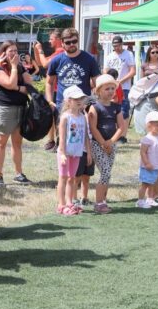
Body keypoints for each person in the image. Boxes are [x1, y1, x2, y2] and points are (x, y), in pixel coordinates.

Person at [0, 40, 34, 187]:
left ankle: (19, 174)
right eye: (11, 51)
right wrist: (15, 69)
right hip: (5, 108)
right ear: (4, 53)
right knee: (1, 142)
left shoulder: (20, 67)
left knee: (17, 143)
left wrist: (19, 84)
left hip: (21, 107)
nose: (14, 53)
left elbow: (29, 86)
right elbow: (9, 84)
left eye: (16, 51)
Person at [87, 74, 126, 214]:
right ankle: (98, 203)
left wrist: (111, 141)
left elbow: (121, 126)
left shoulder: (116, 107)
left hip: (111, 144)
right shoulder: (94, 107)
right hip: (97, 144)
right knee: (104, 171)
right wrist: (103, 143)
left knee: (107, 173)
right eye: (107, 89)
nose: (110, 91)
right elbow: (93, 128)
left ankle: (103, 200)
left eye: (112, 88)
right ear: (98, 91)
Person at [56, 86, 91, 216]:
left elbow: (86, 136)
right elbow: (62, 137)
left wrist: (88, 152)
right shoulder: (65, 117)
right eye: (76, 99)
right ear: (68, 101)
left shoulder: (83, 117)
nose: (79, 101)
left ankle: (69, 202)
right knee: (63, 177)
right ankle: (61, 205)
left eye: (81, 98)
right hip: (65, 153)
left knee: (72, 178)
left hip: (77, 152)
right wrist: (63, 153)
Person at [46, 27, 100, 110]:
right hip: (63, 106)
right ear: (62, 43)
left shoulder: (89, 59)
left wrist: (95, 101)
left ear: (78, 41)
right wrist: (49, 101)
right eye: (68, 42)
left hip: (83, 106)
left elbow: (98, 83)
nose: (71, 44)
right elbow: (49, 82)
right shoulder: (56, 60)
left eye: (74, 41)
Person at [137, 111, 158, 209]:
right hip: (148, 167)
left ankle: (150, 199)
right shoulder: (147, 139)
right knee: (145, 184)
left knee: (152, 183)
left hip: (156, 166)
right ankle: (140, 201)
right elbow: (143, 152)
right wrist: (147, 163)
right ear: (149, 125)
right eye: (157, 124)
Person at [104, 35, 136, 123]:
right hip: (111, 87)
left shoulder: (128, 54)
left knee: (123, 111)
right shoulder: (109, 56)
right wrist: (111, 81)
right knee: (111, 110)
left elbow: (133, 71)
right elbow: (105, 71)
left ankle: (123, 131)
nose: (116, 48)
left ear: (122, 44)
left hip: (124, 87)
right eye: (114, 46)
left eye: (118, 45)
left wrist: (120, 81)